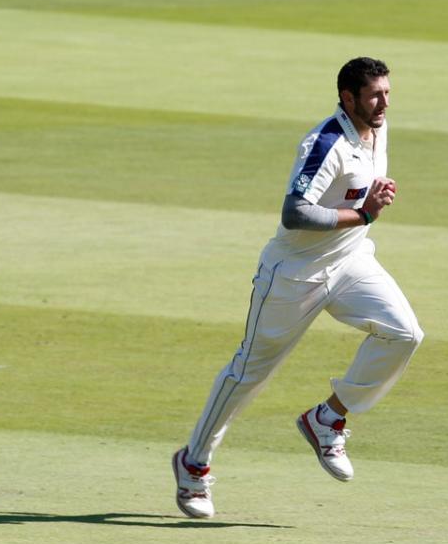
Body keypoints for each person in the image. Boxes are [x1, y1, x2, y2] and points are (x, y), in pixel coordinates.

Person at [172, 57, 424, 519]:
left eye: (387, 92)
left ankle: (327, 418)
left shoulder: (377, 126)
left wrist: (366, 210)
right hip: (292, 275)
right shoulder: (325, 143)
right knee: (249, 374)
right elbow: (295, 213)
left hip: (350, 262)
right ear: (348, 98)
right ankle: (193, 465)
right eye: (374, 95)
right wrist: (363, 214)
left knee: (405, 333)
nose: (384, 102)